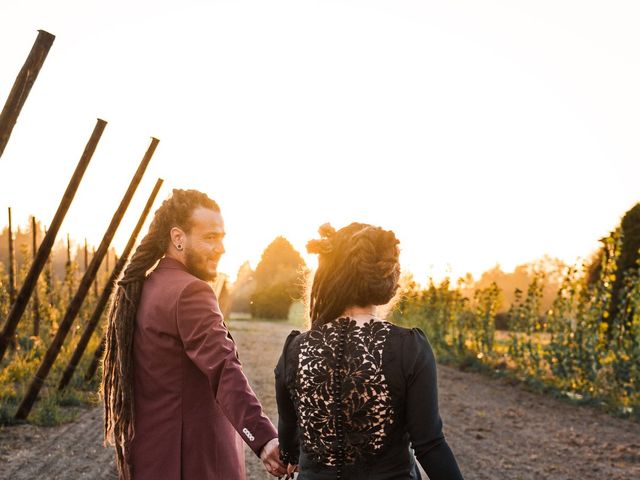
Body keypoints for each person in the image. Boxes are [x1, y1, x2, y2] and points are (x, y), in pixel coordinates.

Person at [101, 189, 286, 479]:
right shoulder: (191, 292)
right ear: (178, 238)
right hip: (195, 462)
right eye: (210, 237)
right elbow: (225, 369)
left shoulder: (144, 288)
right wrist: (264, 439)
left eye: (222, 237)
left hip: (152, 459)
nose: (221, 248)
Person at [275, 222, 464, 479]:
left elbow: (289, 432)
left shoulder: (295, 351)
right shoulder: (409, 348)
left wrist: (287, 456)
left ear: (329, 272)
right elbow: (430, 444)